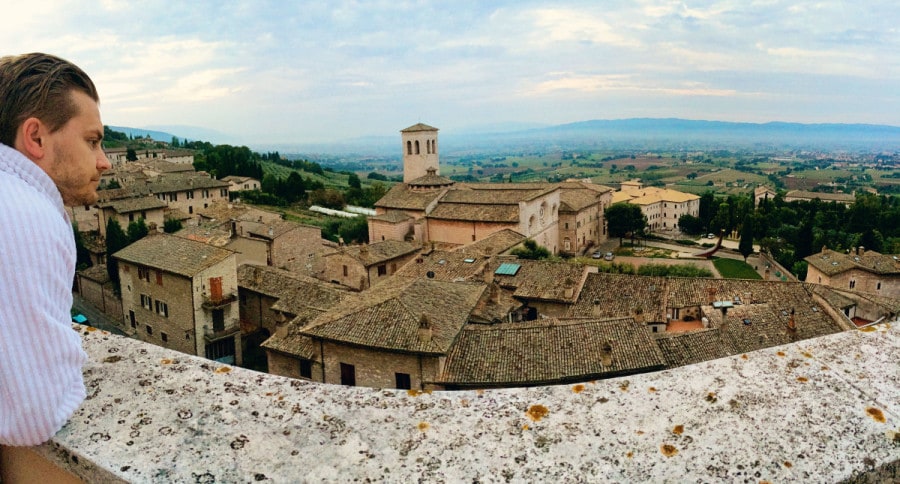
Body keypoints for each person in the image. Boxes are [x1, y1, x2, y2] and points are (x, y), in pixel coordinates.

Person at [0, 53, 111, 446]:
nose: (105, 163)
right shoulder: (23, 216)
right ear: (36, 137)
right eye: (93, 141)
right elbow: (36, 413)